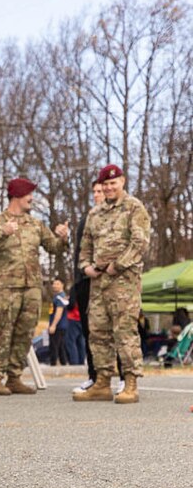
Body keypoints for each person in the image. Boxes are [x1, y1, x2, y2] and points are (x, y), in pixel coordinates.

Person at [0, 178, 69, 395]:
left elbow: (54, 248)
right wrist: (4, 232)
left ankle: (14, 377)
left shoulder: (35, 224)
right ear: (18, 195)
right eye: (29, 194)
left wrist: (63, 238)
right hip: (7, 288)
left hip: (32, 288)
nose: (32, 198)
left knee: (25, 333)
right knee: (3, 332)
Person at [73, 164, 151, 403]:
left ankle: (130, 383)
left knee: (125, 333)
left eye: (112, 183)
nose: (108, 188)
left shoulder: (133, 208)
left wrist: (117, 265)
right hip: (98, 284)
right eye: (105, 184)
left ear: (122, 182)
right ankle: (102, 382)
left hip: (124, 283)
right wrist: (85, 267)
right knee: (97, 333)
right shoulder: (94, 214)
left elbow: (140, 243)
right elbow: (85, 246)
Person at [70, 179, 123, 393]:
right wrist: (80, 278)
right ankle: (95, 376)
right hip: (86, 282)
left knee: (117, 330)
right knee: (91, 332)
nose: (97, 195)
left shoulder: (119, 218)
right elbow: (80, 254)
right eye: (95, 191)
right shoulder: (87, 219)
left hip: (111, 281)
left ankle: (123, 376)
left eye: (101, 191)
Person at [47, 278, 70, 366]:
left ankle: (53, 364)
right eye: (54, 284)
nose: (54, 286)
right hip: (62, 325)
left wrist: (53, 325)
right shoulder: (59, 297)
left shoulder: (60, 297)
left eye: (57, 284)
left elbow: (59, 312)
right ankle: (63, 363)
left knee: (54, 346)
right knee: (61, 346)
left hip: (59, 326)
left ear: (62, 285)